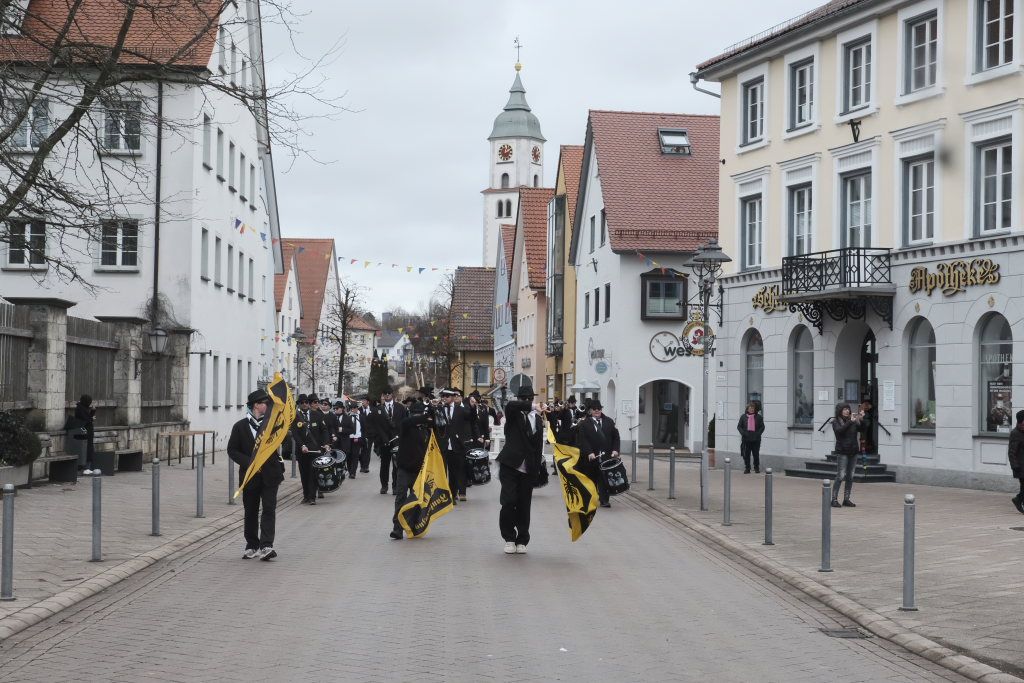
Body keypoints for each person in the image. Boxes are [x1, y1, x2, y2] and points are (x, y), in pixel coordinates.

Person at [227, 389, 284, 560]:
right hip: (250, 476)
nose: (267, 406)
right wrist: (250, 463)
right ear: (256, 405)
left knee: (269, 509)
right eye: (265, 403)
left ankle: (266, 545)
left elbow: (283, 440)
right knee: (251, 511)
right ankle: (252, 544)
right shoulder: (240, 426)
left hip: (270, 475)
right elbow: (232, 450)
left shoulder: (272, 424)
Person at [496, 386, 545, 554]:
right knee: (508, 501)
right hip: (510, 465)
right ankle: (509, 538)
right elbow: (511, 405)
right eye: (524, 398)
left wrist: (536, 469)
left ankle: (522, 539)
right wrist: (532, 406)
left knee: (524, 505)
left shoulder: (537, 419)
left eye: (530, 398)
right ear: (519, 399)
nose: (527, 401)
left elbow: (538, 446)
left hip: (528, 468)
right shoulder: (513, 413)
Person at [390, 398, 434, 539]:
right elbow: (410, 421)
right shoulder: (406, 425)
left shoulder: (426, 429)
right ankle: (397, 528)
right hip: (404, 469)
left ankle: (413, 525)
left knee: (416, 500)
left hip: (419, 471)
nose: (417, 416)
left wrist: (433, 412)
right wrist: (425, 417)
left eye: (419, 414)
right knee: (400, 497)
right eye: (415, 414)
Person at [576, 400, 620, 508]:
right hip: (591, 457)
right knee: (591, 479)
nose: (597, 410)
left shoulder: (609, 421)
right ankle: (590, 499)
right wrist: (589, 452)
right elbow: (582, 440)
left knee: (604, 479)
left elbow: (616, 437)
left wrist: (615, 450)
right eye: (594, 409)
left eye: (599, 408)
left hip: (606, 456)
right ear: (590, 411)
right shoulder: (584, 424)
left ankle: (604, 500)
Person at [440, 388, 478, 502]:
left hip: (456, 445)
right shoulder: (439, 409)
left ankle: (452, 495)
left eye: (447, 396)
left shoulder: (460, 410)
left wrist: (473, 407)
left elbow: (472, 418)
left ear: (452, 397)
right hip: (442, 445)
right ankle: (441, 495)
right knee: (441, 471)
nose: (444, 398)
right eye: (443, 396)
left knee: (454, 472)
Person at [292, 394, 328, 505]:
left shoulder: (317, 415)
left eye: (306, 402)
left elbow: (324, 430)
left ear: (308, 403)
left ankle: (312, 497)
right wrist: (302, 445)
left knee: (313, 473)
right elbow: (295, 434)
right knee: (304, 474)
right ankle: (306, 496)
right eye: (301, 402)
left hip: (315, 450)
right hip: (302, 451)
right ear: (299, 404)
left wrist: (326, 443)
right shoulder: (295, 417)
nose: (304, 404)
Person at [374, 386, 406, 495]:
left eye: (389, 393)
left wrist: (401, 437)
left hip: (397, 440)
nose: (387, 395)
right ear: (383, 395)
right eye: (385, 393)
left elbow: (404, 423)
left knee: (396, 464)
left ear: (392, 394)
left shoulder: (400, 408)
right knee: (384, 464)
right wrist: (383, 438)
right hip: (384, 441)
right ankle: (384, 486)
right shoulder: (378, 409)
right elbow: (377, 426)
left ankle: (395, 486)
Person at [831, 403, 862, 508]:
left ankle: (846, 499)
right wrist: (850, 422)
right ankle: (834, 499)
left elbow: (863, 429)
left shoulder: (852, 421)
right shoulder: (835, 422)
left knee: (850, 476)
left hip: (853, 451)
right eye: (844, 409)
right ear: (840, 411)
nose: (847, 411)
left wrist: (862, 419)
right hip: (842, 451)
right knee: (840, 476)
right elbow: (839, 432)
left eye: (848, 409)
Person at [736, 402, 765, 474]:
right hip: (746, 439)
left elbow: (762, 427)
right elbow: (739, 426)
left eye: (753, 408)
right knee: (746, 454)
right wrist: (743, 433)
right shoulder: (743, 417)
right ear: (747, 409)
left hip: (756, 439)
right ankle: (747, 468)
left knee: (756, 454)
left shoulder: (759, 417)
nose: (751, 409)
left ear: (755, 409)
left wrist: (758, 434)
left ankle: (756, 467)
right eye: (750, 408)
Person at [340, 401, 366, 479]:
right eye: (352, 408)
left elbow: (364, 428)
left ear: (357, 408)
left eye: (355, 408)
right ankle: (350, 470)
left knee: (355, 455)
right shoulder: (347, 417)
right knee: (349, 455)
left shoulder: (361, 417)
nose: (353, 409)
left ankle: (353, 473)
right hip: (348, 438)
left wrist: (363, 438)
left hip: (357, 438)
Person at [71, 394, 97, 470]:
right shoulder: (80, 408)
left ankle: (88, 467)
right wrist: (91, 418)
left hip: (87, 432)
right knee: (86, 449)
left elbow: (88, 417)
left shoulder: (83, 407)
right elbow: (85, 419)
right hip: (84, 433)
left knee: (89, 449)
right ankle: (86, 467)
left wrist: (93, 411)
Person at [1009, 410, 1024, 514]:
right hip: (1020, 466)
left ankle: (1019, 500)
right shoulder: (1015, 433)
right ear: (1020, 422)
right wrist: (1015, 466)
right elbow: (1011, 452)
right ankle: (1018, 499)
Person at [359, 395, 376, 473]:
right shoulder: (358, 410)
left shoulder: (373, 410)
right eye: (362, 400)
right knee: (361, 450)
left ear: (368, 402)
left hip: (370, 434)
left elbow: (375, 422)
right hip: (361, 434)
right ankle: (362, 465)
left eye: (364, 400)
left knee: (367, 450)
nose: (362, 402)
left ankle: (366, 466)